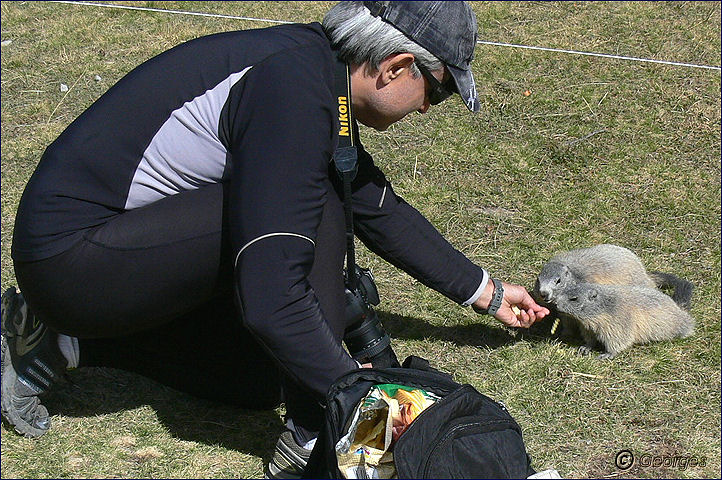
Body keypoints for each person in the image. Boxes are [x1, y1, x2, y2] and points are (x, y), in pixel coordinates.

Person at [1, 1, 549, 477]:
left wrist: (487, 293)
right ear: (396, 67)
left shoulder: (318, 75)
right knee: (313, 215)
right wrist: (352, 399)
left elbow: (374, 204)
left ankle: (64, 340)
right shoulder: (293, 88)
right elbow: (272, 295)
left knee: (261, 376)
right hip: (70, 261)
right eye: (439, 90)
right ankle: (311, 431)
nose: (429, 108)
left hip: (106, 256)